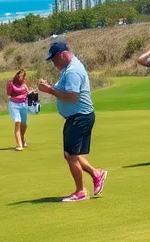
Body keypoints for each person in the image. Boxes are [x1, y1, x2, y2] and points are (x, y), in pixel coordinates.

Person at [38, 42, 106, 201]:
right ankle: (96, 174)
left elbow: (72, 97)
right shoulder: (68, 69)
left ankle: (80, 191)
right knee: (70, 154)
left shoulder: (73, 71)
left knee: (71, 155)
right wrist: (51, 87)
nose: (53, 63)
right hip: (77, 116)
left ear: (62, 54)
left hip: (80, 116)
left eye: (54, 59)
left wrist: (49, 90)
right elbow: (67, 91)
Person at [6, 70, 31, 151]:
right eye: (21, 76)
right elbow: (9, 96)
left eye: (24, 76)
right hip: (14, 105)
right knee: (18, 122)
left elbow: (27, 93)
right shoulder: (11, 84)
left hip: (23, 105)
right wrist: (19, 96)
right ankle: (19, 145)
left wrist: (32, 93)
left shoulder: (24, 85)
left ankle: (22, 137)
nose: (22, 77)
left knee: (24, 124)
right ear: (17, 76)